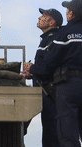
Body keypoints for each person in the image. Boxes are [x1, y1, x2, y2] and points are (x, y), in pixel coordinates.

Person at [29, 0, 82, 147]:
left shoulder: (64, 33)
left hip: (68, 87)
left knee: (67, 134)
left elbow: (49, 65)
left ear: (71, 13)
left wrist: (32, 69)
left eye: (68, 9)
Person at [22, 8, 63, 147]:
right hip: (47, 93)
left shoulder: (54, 39)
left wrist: (31, 68)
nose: (39, 18)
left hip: (51, 94)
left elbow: (48, 69)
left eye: (44, 16)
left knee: (52, 135)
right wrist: (32, 74)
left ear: (52, 22)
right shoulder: (47, 39)